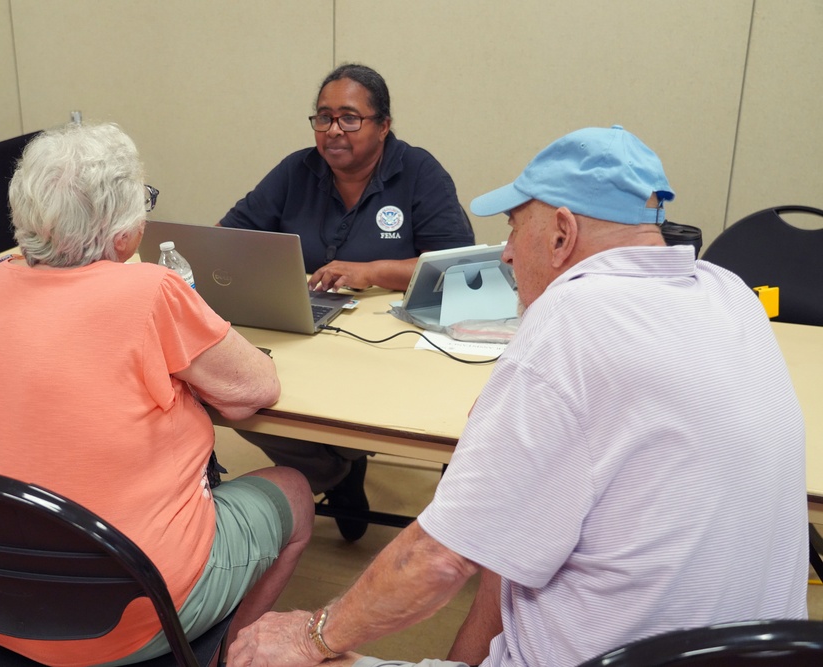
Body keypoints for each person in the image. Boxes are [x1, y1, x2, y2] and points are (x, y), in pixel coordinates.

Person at [225, 125, 808, 667]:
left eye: (512, 228)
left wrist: (310, 634)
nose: (504, 253)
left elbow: (436, 560)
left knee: (267, 655)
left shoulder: (570, 321)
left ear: (561, 234)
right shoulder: (728, 292)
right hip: (757, 650)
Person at [0, 121, 314, 667]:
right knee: (293, 492)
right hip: (125, 617)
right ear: (122, 231)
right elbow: (254, 390)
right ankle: (222, 659)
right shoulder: (149, 290)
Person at [220, 63, 475, 540]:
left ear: (383, 125)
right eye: (324, 117)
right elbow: (228, 235)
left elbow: (458, 267)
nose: (334, 130)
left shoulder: (418, 172)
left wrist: (373, 271)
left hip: (390, 341)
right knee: (231, 398)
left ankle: (345, 470)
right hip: (302, 325)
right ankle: (337, 472)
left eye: (350, 118)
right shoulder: (297, 169)